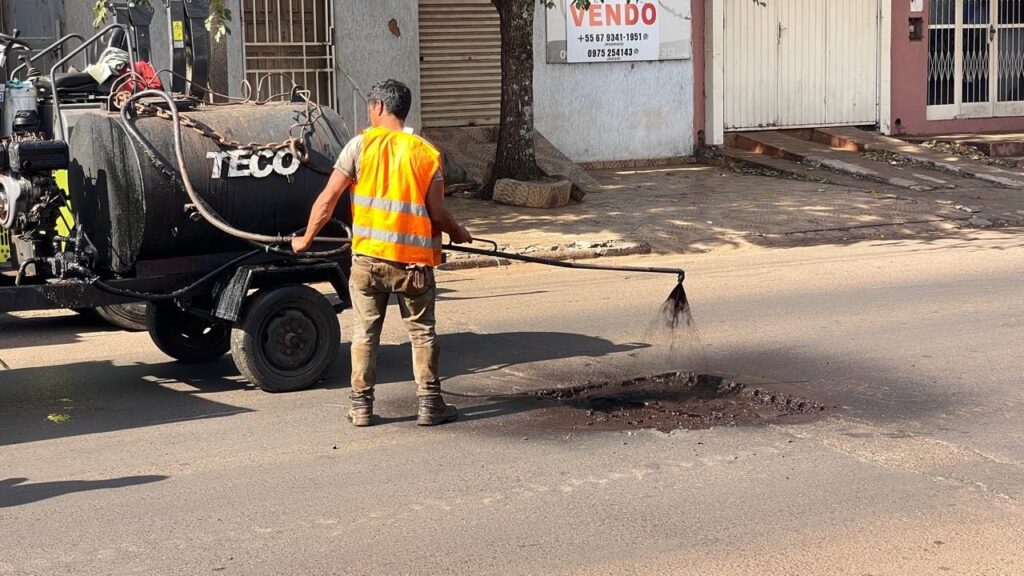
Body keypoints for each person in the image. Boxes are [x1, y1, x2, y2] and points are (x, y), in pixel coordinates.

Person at [293, 79, 472, 427]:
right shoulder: (426, 153)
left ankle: (361, 407)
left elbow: (328, 200)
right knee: (422, 333)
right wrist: (458, 232)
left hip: (367, 262)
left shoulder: (359, 147)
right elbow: (437, 214)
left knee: (365, 333)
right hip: (414, 266)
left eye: (369, 108)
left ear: (378, 107)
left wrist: (306, 239)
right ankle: (430, 405)